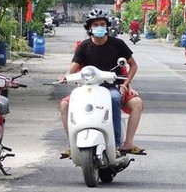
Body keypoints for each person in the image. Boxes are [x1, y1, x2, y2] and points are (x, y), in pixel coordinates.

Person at [58, 9, 145, 157]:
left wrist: (125, 85)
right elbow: (73, 66)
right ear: (90, 28)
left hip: (112, 87)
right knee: (65, 104)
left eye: (102, 24)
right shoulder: (83, 46)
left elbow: (133, 65)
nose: (99, 27)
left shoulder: (117, 44)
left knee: (116, 98)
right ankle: (73, 144)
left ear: (107, 26)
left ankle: (119, 144)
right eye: (96, 24)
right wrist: (66, 76)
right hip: (88, 88)